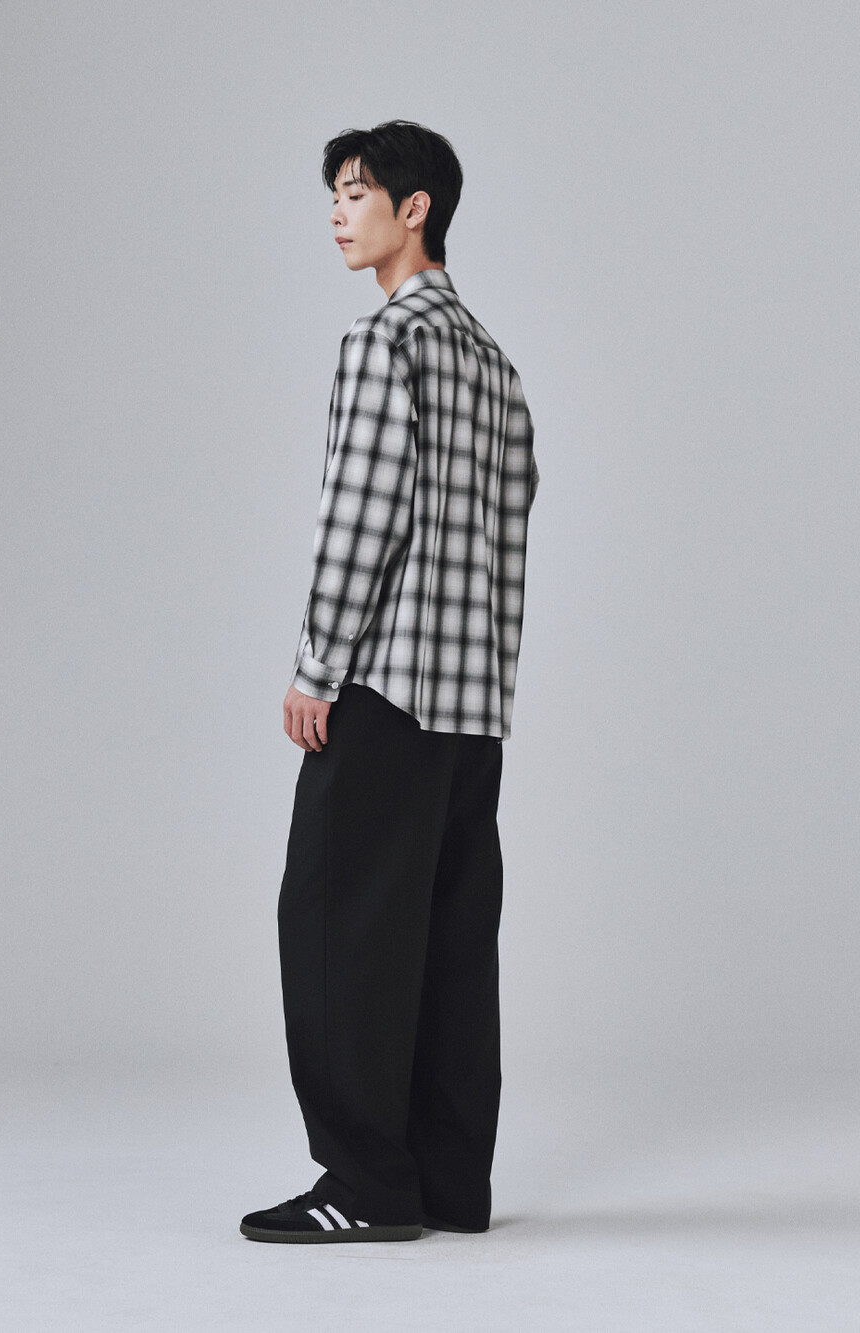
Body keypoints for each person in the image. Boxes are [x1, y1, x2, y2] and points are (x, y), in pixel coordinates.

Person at [240, 120, 539, 1244]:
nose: (336, 211)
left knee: (338, 928)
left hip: (384, 693)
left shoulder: (386, 342)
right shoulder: (494, 365)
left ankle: (365, 1184)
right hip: (470, 710)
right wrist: (485, 684)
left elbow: (361, 520)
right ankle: (449, 1184)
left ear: (415, 209)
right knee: (450, 941)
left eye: (356, 191)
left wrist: (316, 666)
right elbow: (507, 529)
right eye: (333, 192)